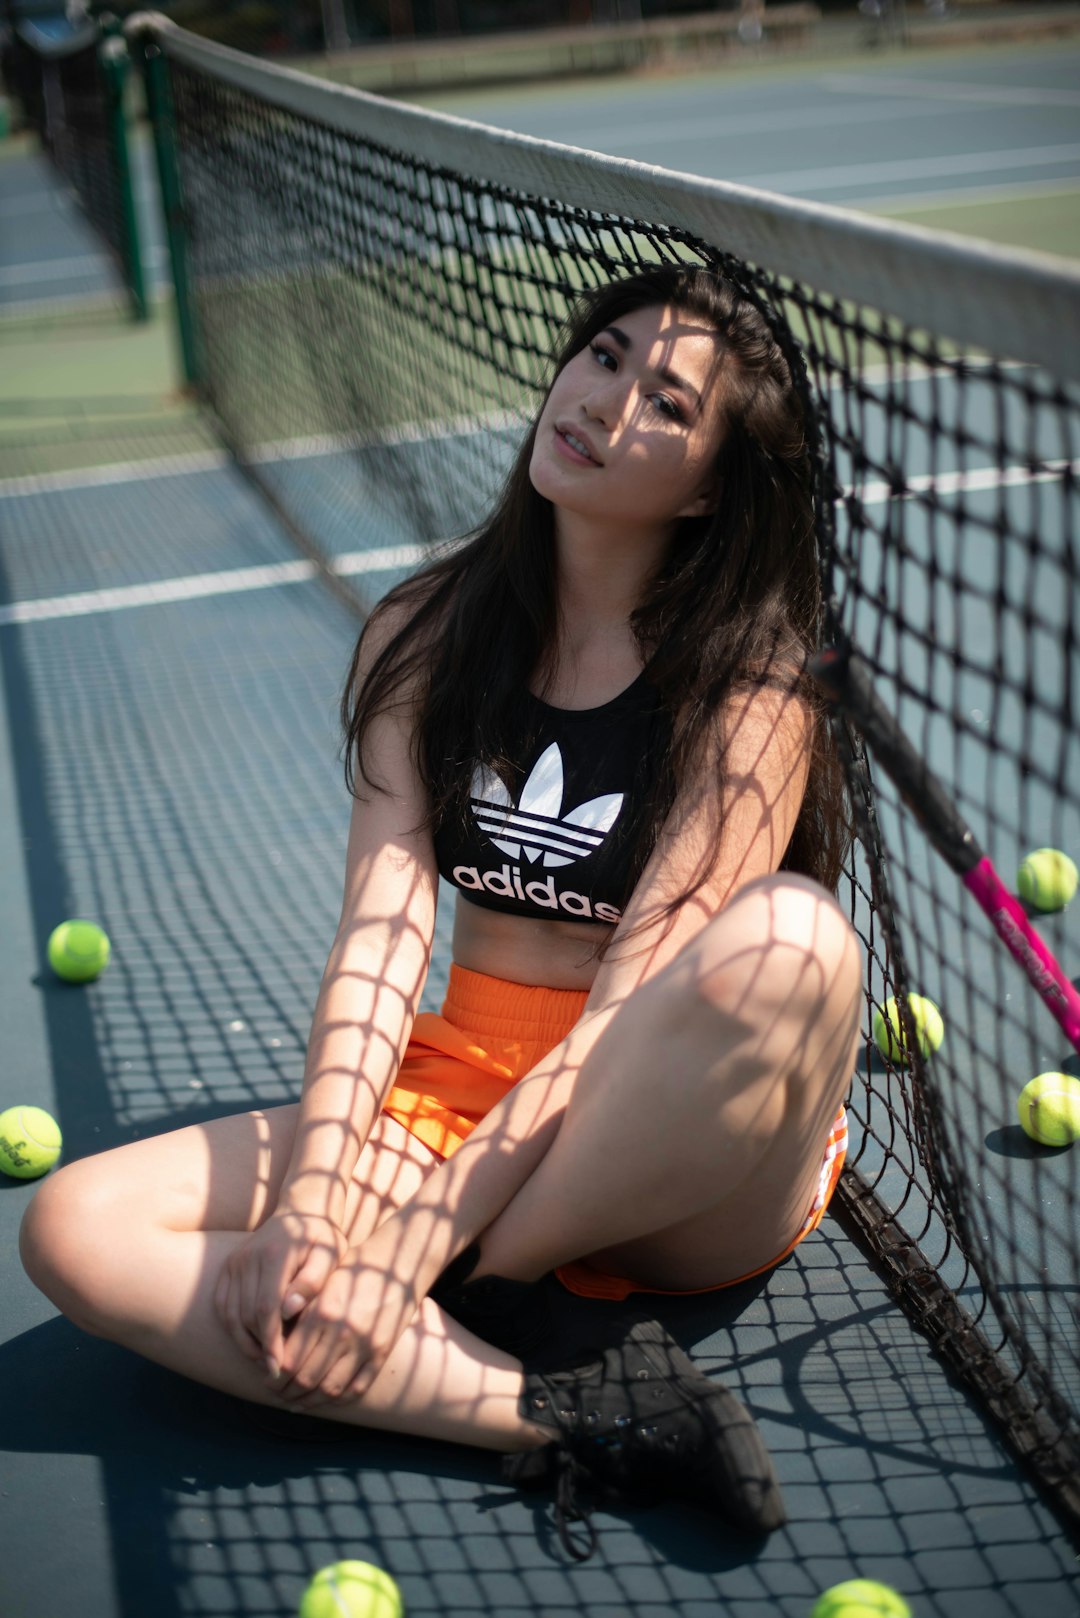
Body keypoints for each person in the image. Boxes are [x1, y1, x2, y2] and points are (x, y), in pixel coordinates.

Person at [20, 264, 863, 1559]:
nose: (604, 397)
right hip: (459, 1082)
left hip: (678, 1146)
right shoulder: (423, 630)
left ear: (706, 485)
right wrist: (311, 1205)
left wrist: (412, 1242)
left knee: (795, 940)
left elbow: (631, 1007)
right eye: (605, 353)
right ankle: (547, 1409)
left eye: (666, 399)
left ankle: (473, 1284)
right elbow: (381, 939)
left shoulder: (749, 686)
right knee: (75, 1227)